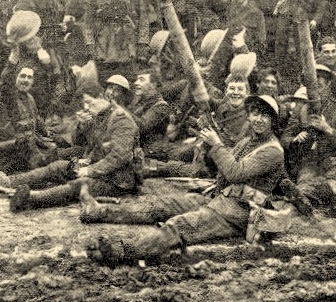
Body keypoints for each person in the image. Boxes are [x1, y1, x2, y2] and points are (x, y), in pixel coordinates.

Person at [85, 93, 287, 266]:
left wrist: (216, 144)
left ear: (273, 121)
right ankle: (101, 211)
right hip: (220, 200)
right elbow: (222, 172)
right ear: (249, 115)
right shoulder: (246, 141)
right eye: (255, 113)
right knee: (163, 204)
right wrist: (207, 146)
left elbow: (235, 172)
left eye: (265, 116)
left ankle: (120, 250)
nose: (258, 119)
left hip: (238, 214)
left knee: (179, 226)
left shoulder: (272, 151)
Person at [6, 82, 141, 212]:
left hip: (118, 181)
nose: (86, 107)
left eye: (89, 102)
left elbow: (120, 157)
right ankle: (9, 182)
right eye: (84, 104)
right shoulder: (100, 116)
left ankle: (29, 199)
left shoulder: (121, 119)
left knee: (80, 184)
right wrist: (82, 126)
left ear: (103, 97)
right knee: (58, 166)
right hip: (99, 169)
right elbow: (79, 143)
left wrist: (90, 170)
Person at [281, 64, 336, 215]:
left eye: (319, 86)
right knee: (304, 184)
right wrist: (295, 140)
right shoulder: (302, 109)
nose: (314, 92)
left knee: (333, 185)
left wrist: (327, 129)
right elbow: (285, 138)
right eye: (310, 88)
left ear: (328, 85)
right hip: (310, 162)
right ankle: (305, 201)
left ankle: (328, 199)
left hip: (335, 163)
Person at [83, 0, 149, 82]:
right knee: (105, 81)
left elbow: (143, 18)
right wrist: (90, 44)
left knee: (128, 82)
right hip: (104, 46)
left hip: (127, 44)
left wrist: (142, 42)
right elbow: (88, 22)